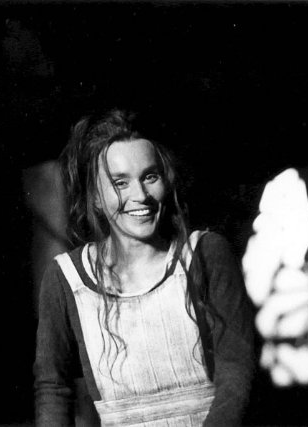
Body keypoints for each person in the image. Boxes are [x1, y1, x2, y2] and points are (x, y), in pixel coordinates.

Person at [33, 109, 255, 426]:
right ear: (95, 197)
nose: (140, 196)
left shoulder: (204, 255)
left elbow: (236, 372)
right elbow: (53, 388)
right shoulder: (65, 278)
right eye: (120, 183)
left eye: (150, 177)